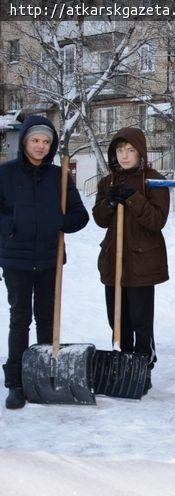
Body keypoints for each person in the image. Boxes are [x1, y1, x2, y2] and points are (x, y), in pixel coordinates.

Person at [0, 116, 89, 409]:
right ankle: (15, 382)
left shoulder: (59, 176)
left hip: (50, 258)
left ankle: (41, 375)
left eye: (46, 141)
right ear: (25, 141)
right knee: (19, 319)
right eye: (35, 140)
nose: (40, 146)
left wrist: (59, 221)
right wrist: (12, 226)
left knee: (47, 319)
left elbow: (80, 216)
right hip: (16, 258)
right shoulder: (6, 174)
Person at [93, 127, 169, 393]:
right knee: (117, 320)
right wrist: (111, 203)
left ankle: (143, 365)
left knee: (140, 320)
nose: (124, 156)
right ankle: (125, 365)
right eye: (119, 150)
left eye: (130, 150)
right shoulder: (107, 182)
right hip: (114, 261)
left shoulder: (154, 181)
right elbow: (100, 219)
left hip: (142, 263)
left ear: (141, 152)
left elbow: (157, 221)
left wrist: (133, 198)